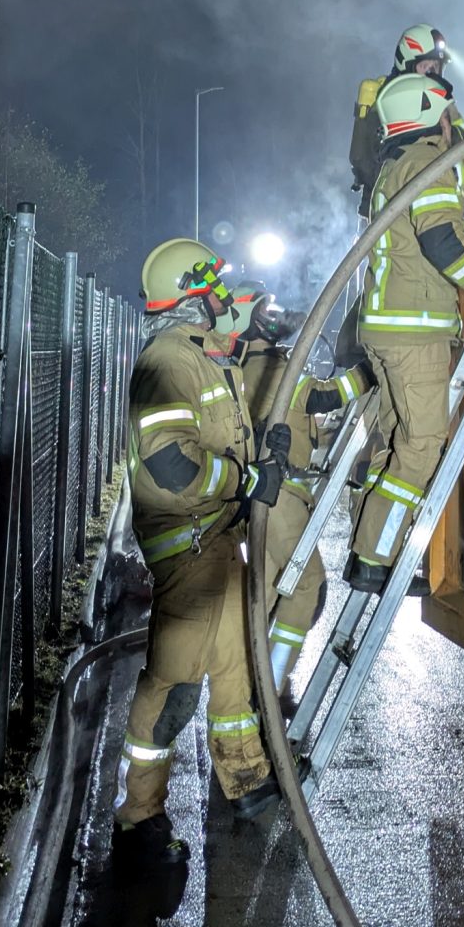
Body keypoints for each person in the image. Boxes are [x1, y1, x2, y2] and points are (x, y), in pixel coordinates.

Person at [112, 237, 289, 867]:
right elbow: (171, 463)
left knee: (234, 662)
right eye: (212, 284)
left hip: (214, 537)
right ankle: (137, 821)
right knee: (174, 685)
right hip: (187, 542)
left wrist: (261, 457)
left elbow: (223, 435)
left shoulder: (202, 356)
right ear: (191, 294)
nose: (223, 293)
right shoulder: (166, 360)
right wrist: (245, 480)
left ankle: (247, 781)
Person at [348, 73, 464, 595]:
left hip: (390, 331)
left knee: (398, 443)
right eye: (448, 113)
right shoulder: (424, 165)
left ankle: (369, 551)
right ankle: (374, 558)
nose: (455, 121)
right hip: (414, 335)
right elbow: (444, 243)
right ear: (430, 113)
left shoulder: (406, 164)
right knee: (423, 445)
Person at [220, 283, 372, 701]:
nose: (277, 316)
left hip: (271, 496)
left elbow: (298, 421)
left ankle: (249, 690)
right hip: (279, 498)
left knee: (266, 596)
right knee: (306, 587)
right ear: (248, 318)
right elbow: (321, 395)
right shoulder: (265, 368)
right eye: (267, 310)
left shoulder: (257, 364)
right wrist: (369, 371)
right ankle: (271, 687)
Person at [349, 23, 454, 217]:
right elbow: (375, 167)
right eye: (425, 67)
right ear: (406, 65)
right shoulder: (386, 107)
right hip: (387, 214)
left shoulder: (433, 104)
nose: (432, 74)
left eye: (436, 67)